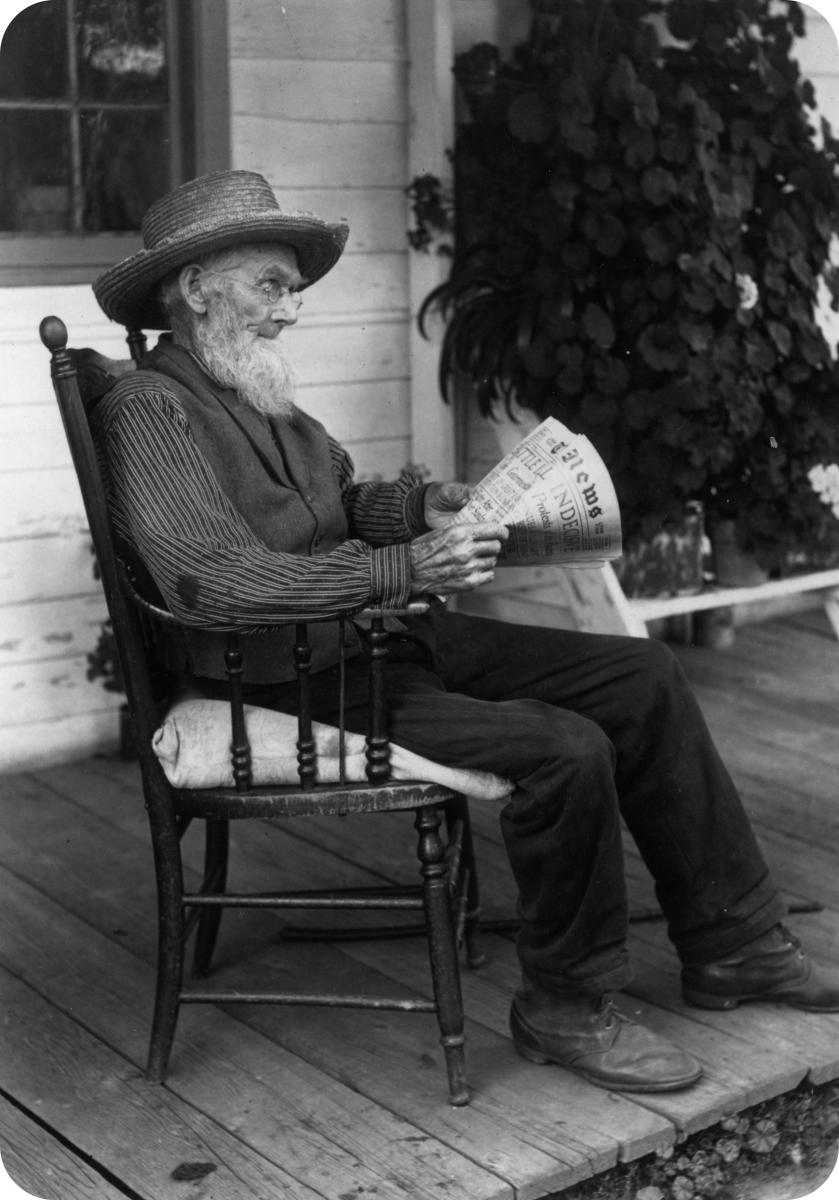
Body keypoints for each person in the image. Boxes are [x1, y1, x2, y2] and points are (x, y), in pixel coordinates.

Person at [92, 169, 839, 1095]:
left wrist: (422, 504)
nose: (290, 311)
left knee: (641, 675)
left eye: (293, 288)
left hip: (369, 639)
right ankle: (565, 1005)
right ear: (195, 287)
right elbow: (214, 584)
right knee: (563, 750)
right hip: (286, 674)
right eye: (269, 287)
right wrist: (406, 569)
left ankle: (733, 944)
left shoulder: (252, 393)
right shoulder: (151, 410)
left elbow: (333, 507)